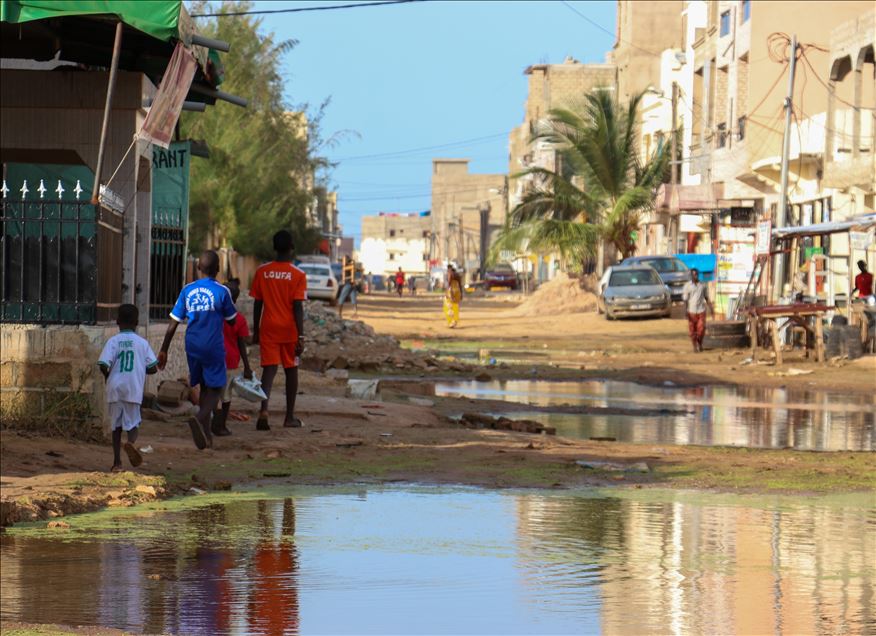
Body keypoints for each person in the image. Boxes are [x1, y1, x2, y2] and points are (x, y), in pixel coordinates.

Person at [158, 250, 238, 450]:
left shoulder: (187, 290)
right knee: (217, 387)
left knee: (203, 386)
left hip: (192, 345)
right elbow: (232, 320)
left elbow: (173, 322)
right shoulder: (222, 291)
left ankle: (206, 436)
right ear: (218, 269)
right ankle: (200, 416)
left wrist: (164, 350)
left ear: (198, 268)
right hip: (213, 345)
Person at [251, 230, 307, 430]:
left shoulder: (262, 271)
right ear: (291, 248)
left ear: (274, 248)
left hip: (268, 327)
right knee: (291, 370)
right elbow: (297, 307)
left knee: (269, 370)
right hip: (290, 329)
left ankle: (264, 411)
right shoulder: (298, 275)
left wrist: (256, 330)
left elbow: (258, 303)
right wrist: (301, 335)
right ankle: (289, 417)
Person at [98, 304, 158, 472]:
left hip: (115, 387)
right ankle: (130, 443)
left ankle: (117, 463)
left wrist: (107, 377)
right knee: (133, 424)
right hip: (133, 388)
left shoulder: (113, 341)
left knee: (116, 426)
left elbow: (103, 364)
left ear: (117, 322)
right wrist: (140, 368)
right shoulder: (142, 343)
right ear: (137, 322)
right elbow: (153, 367)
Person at [211, 278, 253, 437]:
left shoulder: (212, 314)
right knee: (226, 396)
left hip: (212, 358)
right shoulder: (239, 319)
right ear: (235, 299)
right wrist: (247, 367)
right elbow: (242, 344)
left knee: (213, 392)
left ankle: (213, 420)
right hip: (230, 361)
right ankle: (221, 426)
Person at [682, 268, 714, 353]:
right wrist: (685, 310)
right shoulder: (687, 286)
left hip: (701, 310)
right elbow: (685, 299)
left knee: (701, 329)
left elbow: (706, 298)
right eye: (694, 274)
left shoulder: (703, 285)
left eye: (697, 274)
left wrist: (711, 308)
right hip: (691, 311)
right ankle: (694, 346)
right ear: (691, 275)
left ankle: (700, 343)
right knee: (692, 331)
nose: (696, 276)